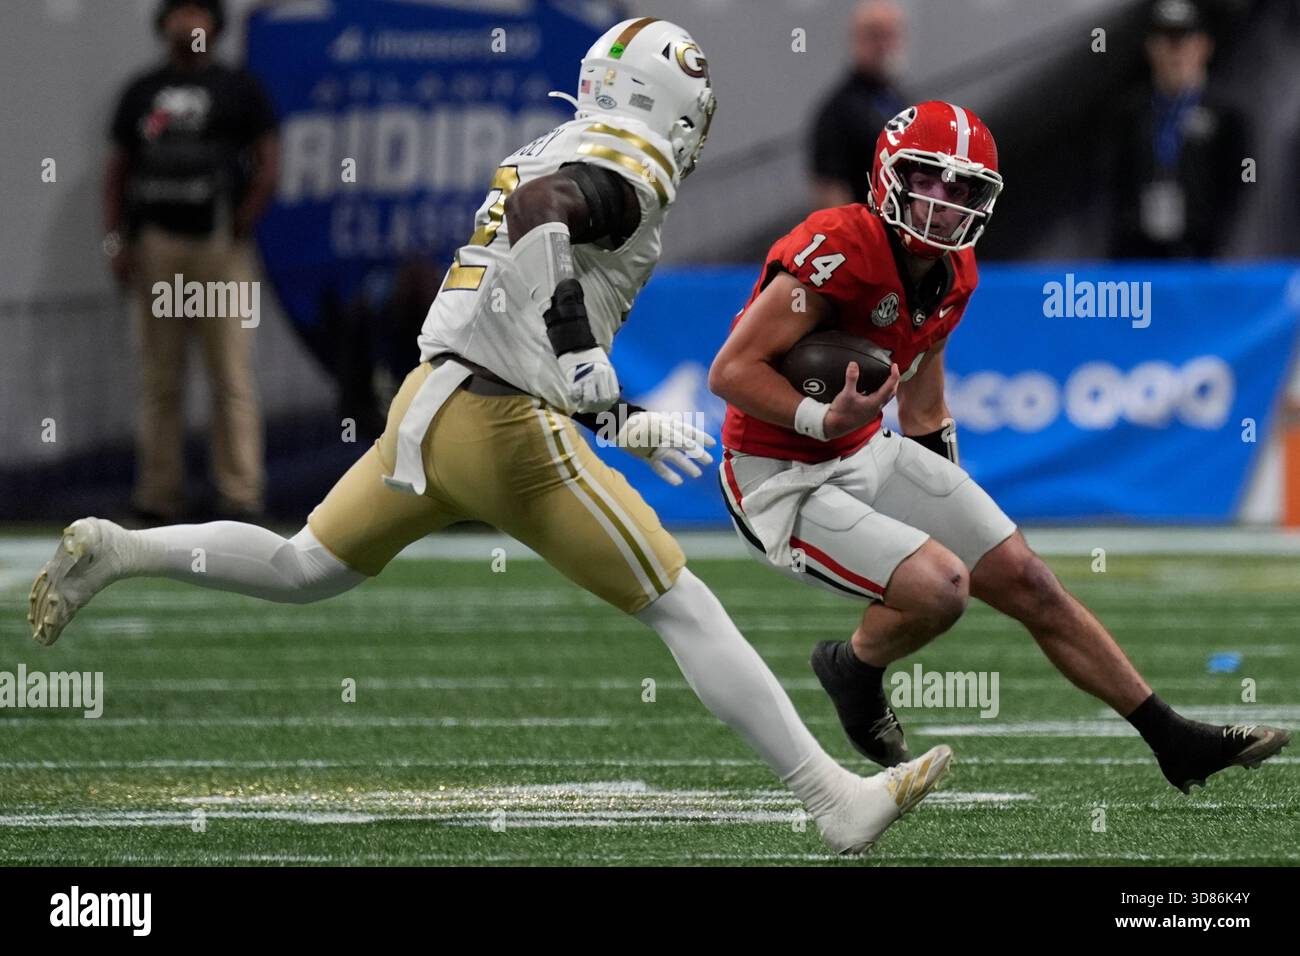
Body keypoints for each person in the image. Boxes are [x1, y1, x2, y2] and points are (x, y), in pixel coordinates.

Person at [31, 18, 951, 856]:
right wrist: (580, 351)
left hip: (431, 402)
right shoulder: (629, 163)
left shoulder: (558, 137)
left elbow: (528, 246)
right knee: (683, 603)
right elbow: (542, 213)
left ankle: (125, 548)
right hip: (505, 423)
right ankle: (831, 795)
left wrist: (613, 409)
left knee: (301, 566)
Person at [709, 100, 1290, 792]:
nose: (947, 204)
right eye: (932, 181)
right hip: (778, 474)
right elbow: (730, 372)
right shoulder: (838, 249)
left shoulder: (955, 272)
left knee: (1031, 581)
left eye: (964, 190)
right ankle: (855, 667)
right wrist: (818, 419)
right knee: (943, 590)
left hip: (861, 449)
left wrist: (946, 504)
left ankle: (1172, 739)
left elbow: (923, 403)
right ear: (890, 176)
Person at [104, 0, 279, 522]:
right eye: (179, 13)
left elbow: (269, 160)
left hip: (219, 246)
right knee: (160, 377)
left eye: (198, 14)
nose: (188, 24)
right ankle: (159, 495)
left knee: (231, 374)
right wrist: (117, 242)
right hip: (158, 245)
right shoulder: (141, 92)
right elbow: (117, 171)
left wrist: (243, 222)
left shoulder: (239, 88)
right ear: (163, 25)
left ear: (215, 26)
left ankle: (241, 495)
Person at [1106, 0, 1249, 258]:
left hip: (1203, 256)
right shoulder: (1131, 114)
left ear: (1203, 47)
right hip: (1139, 254)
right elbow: (1113, 186)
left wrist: (1225, 250)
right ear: (1151, 48)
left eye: (1183, 41)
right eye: (1167, 42)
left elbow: (1240, 192)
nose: (1175, 53)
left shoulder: (1226, 114)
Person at [809, 0, 908, 209]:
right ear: (856, 39)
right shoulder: (838, 112)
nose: (884, 45)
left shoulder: (899, 99)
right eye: (874, 35)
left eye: (891, 34)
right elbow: (830, 190)